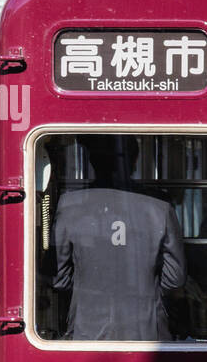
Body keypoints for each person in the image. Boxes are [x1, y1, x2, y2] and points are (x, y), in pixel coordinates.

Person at [53, 136, 186, 341]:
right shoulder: (159, 205)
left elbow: (60, 279)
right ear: (134, 161)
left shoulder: (69, 205)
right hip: (147, 331)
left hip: (87, 330)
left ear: (91, 162)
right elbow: (175, 278)